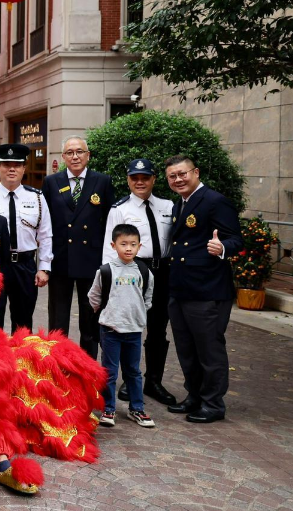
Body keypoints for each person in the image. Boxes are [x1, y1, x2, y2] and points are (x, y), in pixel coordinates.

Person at [163, 155, 242, 424]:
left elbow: (236, 239)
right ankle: (194, 396)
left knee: (209, 350)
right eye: (172, 176)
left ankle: (213, 403)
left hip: (207, 290)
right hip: (181, 289)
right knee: (186, 349)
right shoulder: (179, 204)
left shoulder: (214, 201)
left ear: (195, 172)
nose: (178, 179)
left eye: (182, 174)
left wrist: (223, 249)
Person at [102, 159, 176, 406]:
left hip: (163, 270)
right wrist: (111, 281)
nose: (140, 182)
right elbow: (110, 250)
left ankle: (154, 381)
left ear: (154, 178)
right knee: (129, 327)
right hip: (134, 271)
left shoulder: (168, 206)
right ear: (128, 180)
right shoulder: (120, 209)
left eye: (145, 177)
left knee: (158, 327)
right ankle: (129, 380)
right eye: (135, 178)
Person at [43, 136, 114, 359]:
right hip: (61, 258)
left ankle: (88, 367)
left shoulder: (102, 181)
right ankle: (58, 364)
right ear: (63, 157)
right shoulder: (51, 182)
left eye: (79, 152)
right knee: (58, 319)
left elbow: (109, 221)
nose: (75, 156)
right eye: (70, 152)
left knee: (90, 318)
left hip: (91, 260)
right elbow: (45, 222)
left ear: (88, 155)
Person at [88, 223, 156, 429]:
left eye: (133, 244)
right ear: (113, 245)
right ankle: (108, 408)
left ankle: (137, 408)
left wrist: (136, 315)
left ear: (139, 246)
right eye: (123, 244)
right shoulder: (106, 271)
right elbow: (94, 297)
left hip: (134, 331)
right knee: (109, 370)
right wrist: (109, 314)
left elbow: (148, 297)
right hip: (111, 330)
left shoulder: (144, 271)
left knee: (133, 371)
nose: (128, 248)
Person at [0, 144, 53, 333]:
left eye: (17, 164)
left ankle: (21, 361)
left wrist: (44, 268)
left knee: (23, 322)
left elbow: (45, 235)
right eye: (6, 165)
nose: (11, 169)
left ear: (24, 168)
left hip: (25, 266)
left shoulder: (37, 198)